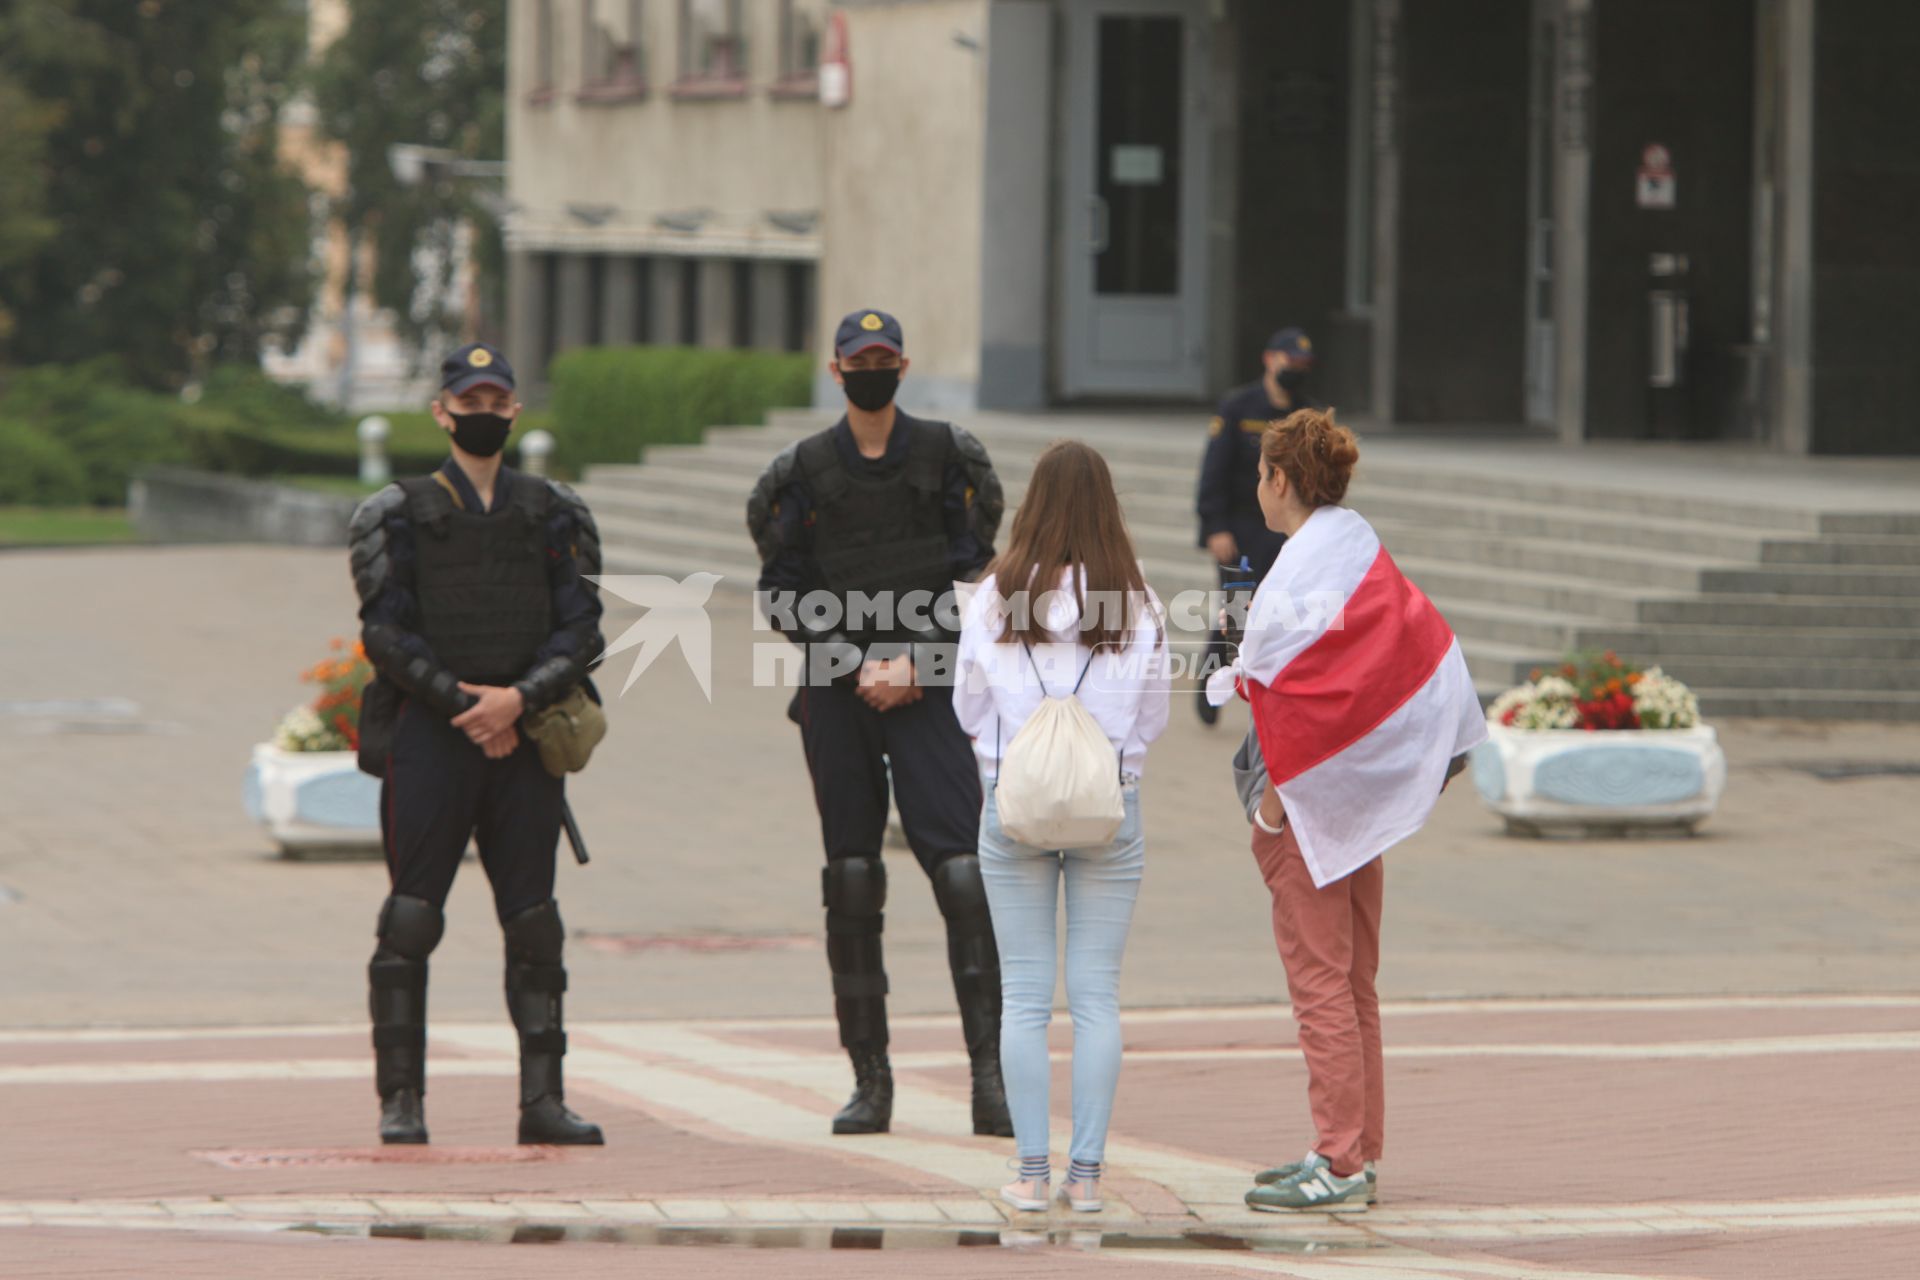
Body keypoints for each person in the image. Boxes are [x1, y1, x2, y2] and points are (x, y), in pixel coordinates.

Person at [1204, 408, 1484, 1211]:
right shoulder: (1359, 550)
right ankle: (1354, 1150)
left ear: (1281, 480)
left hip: (1308, 811)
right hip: (1358, 807)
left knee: (1320, 985)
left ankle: (1338, 1161)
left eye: (1261, 474)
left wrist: (1269, 815)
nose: (1256, 486)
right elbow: (1424, 655)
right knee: (1354, 984)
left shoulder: (1296, 574)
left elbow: (1274, 692)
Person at [747, 309, 1013, 1138]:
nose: (872, 369)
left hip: (930, 686)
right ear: (835, 371)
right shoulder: (799, 472)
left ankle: (992, 1078)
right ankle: (870, 1080)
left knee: (965, 875)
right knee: (853, 879)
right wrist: (856, 662)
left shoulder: (950, 458)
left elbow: (979, 578)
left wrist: (915, 663)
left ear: (903, 366)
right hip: (838, 687)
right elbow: (781, 587)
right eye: (858, 359)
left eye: (884, 358)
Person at [347, 342, 607, 1146]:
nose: (483, 414)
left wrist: (517, 700)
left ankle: (542, 1102)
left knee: (533, 922)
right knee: (412, 919)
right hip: (433, 735)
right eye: (470, 401)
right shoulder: (397, 513)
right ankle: (402, 1101)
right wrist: (464, 704)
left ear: (514, 411)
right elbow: (383, 633)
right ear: (441, 411)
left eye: (498, 402)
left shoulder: (554, 511)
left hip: (524, 736)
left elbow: (583, 628)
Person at [954, 441, 1170, 1215]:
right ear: (1108, 506)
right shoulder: (1136, 598)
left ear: (1032, 506)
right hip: (1110, 809)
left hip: (1013, 806)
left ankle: (1031, 1174)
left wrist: (1000, 763)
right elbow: (1153, 714)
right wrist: (1123, 769)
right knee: (1097, 998)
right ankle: (1087, 1180)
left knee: (1023, 998)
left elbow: (969, 706)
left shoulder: (994, 595)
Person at [1193, 327, 1319, 726]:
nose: (1294, 370)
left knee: (1282, 615)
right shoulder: (1238, 407)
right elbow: (1214, 470)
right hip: (1241, 529)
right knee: (1237, 615)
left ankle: (1274, 699)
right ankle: (1210, 686)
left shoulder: (1307, 413)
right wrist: (1215, 526)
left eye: (1302, 365)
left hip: (1285, 533)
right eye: (1289, 362)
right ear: (1269, 360)